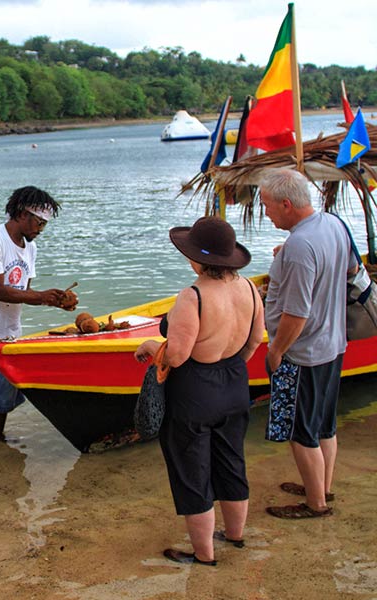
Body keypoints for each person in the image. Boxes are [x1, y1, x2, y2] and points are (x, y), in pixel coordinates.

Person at [135, 216, 264, 565]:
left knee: (192, 471)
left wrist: (150, 344)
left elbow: (176, 355)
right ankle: (235, 536)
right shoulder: (250, 289)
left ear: (196, 259)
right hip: (235, 383)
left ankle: (204, 554)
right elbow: (254, 341)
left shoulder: (193, 296)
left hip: (194, 391)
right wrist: (229, 365)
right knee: (232, 462)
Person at [260, 169, 354, 519]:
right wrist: (290, 254)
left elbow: (296, 314)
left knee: (301, 433)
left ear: (287, 204)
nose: (266, 212)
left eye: (268, 206)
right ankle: (322, 487)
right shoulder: (332, 224)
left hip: (303, 352)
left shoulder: (301, 246)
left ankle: (315, 505)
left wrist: (276, 350)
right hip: (332, 343)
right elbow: (347, 269)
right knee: (324, 425)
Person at [0, 186, 72, 441]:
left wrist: (54, 301)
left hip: (7, 333)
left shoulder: (29, 248)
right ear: (22, 213)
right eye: (38, 222)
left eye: (44, 224)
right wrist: (43, 297)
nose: (40, 230)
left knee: (2, 396)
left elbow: (24, 291)